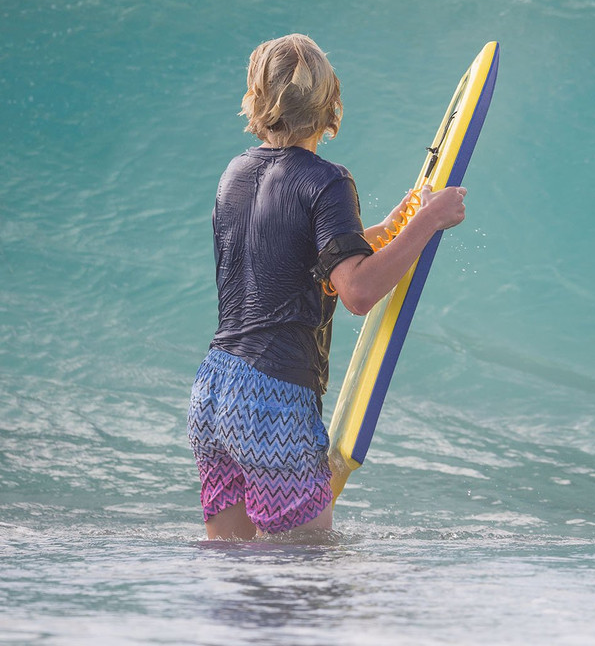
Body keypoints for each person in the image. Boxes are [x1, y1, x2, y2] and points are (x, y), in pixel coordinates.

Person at [187, 34, 466, 540]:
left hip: (213, 390)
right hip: (270, 395)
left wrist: (385, 229)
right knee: (306, 572)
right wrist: (429, 222)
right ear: (330, 101)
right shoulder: (326, 180)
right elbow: (357, 292)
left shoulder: (235, 173)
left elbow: (291, 256)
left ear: (258, 98)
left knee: (232, 571)